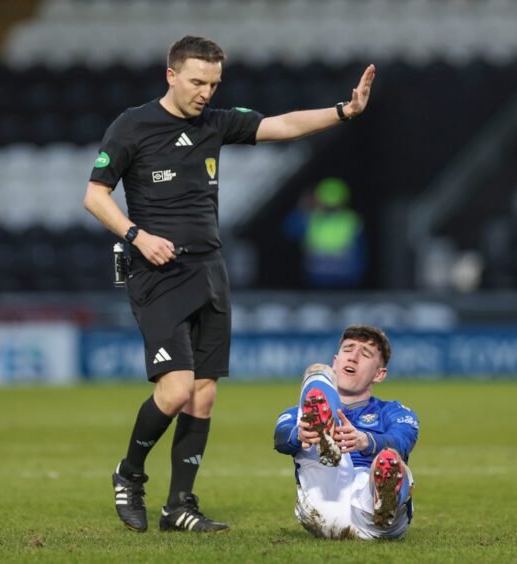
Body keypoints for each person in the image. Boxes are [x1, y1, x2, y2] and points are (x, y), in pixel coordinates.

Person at [83, 35, 376, 534]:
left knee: (203, 395)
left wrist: (343, 111)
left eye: (214, 83)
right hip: (157, 273)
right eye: (197, 81)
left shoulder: (214, 122)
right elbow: (94, 196)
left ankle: (180, 506)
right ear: (170, 75)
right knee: (175, 390)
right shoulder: (132, 126)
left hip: (209, 270)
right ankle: (129, 474)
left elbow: (281, 125)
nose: (205, 92)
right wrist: (137, 235)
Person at [274, 325, 419, 540]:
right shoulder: (298, 413)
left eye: (365, 354)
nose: (353, 357)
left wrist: (366, 441)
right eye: (348, 349)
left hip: (376, 516)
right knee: (317, 374)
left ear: (379, 374)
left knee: (390, 459)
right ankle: (324, 435)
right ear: (336, 361)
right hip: (325, 499)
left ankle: (382, 497)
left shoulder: (394, 411)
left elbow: (401, 440)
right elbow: (280, 438)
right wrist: (298, 435)